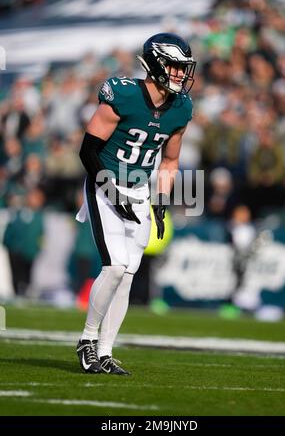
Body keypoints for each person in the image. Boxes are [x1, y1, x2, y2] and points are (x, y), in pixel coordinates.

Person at [76, 32, 196, 374]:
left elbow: (170, 161)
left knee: (127, 274)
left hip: (141, 189)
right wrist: (110, 191)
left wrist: (160, 202)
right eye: (174, 67)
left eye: (183, 68)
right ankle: (87, 341)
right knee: (113, 267)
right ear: (156, 64)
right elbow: (87, 150)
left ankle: (106, 350)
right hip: (106, 182)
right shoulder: (124, 94)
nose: (180, 75)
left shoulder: (181, 109)